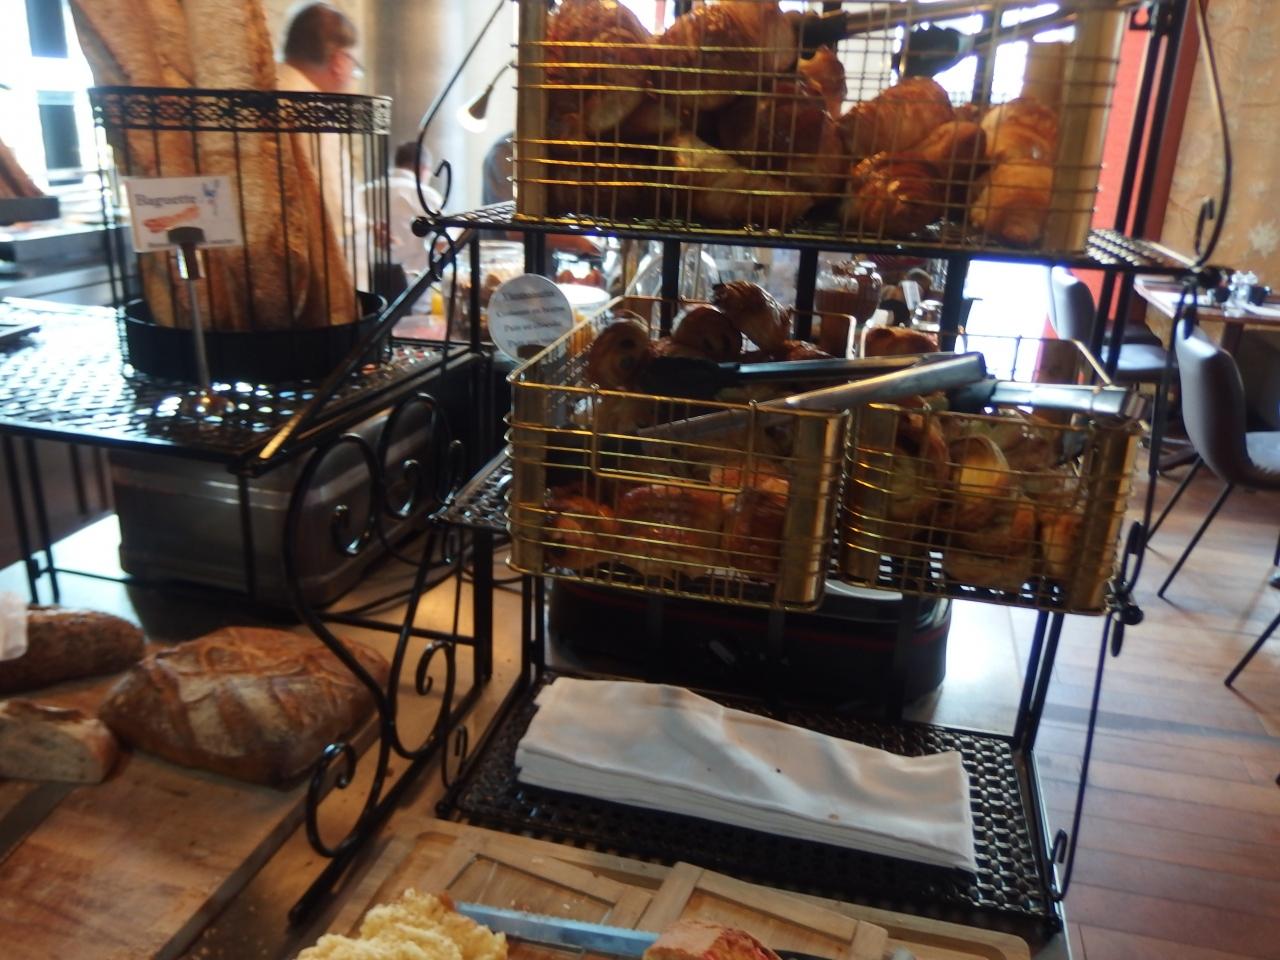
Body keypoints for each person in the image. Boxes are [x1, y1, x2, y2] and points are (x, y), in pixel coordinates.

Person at [276, 2, 361, 95]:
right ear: (339, 63)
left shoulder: (267, 84)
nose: (353, 78)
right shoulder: (309, 102)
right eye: (354, 67)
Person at [386, 140, 444, 276]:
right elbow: (442, 244)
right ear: (423, 169)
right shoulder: (426, 195)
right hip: (416, 283)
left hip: (369, 284)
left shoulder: (362, 192)